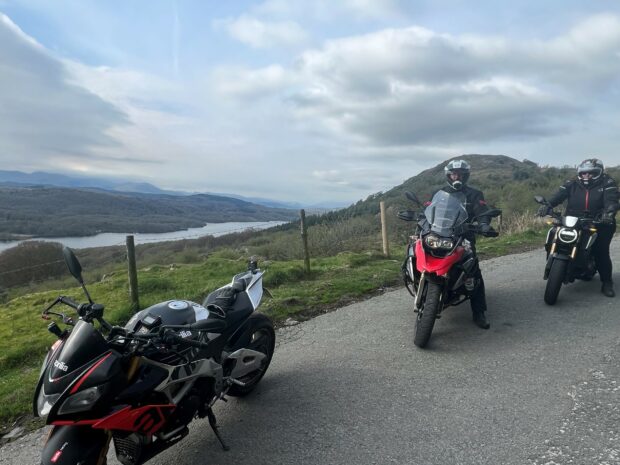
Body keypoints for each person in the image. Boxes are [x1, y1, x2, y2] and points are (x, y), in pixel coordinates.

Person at [538, 158, 619, 297]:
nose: (586, 176)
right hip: (573, 220)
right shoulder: (572, 183)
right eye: (583, 173)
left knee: (601, 252)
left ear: (598, 172)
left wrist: (609, 213)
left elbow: (611, 199)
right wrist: (548, 205)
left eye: (590, 173)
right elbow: (559, 195)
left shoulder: (608, 182)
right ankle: (558, 265)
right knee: (554, 233)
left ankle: (607, 282)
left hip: (600, 221)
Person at [439, 159, 493, 329]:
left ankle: (479, 312)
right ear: (449, 176)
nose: (457, 177)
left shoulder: (475, 194)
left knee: (473, 270)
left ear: (465, 176)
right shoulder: (439, 192)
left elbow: (482, 211)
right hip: (442, 234)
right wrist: (420, 218)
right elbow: (428, 210)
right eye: (454, 174)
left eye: (460, 174)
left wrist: (484, 223)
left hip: (465, 236)